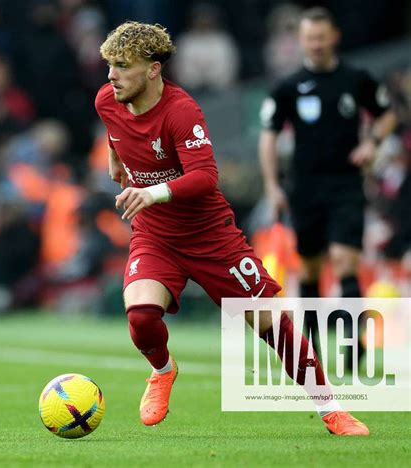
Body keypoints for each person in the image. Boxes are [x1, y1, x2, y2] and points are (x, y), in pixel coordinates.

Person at [95, 21, 369, 435]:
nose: (111, 75)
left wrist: (151, 193)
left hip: (210, 235)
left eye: (122, 65)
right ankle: (163, 371)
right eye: (109, 65)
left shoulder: (181, 110)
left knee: (271, 327)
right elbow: (116, 132)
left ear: (153, 69)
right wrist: (117, 160)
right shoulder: (106, 99)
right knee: (141, 316)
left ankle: (331, 409)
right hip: (155, 234)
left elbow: (205, 176)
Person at [259, 7, 397, 369]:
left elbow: (387, 114)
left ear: (334, 37)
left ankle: (355, 345)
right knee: (308, 269)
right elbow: (268, 136)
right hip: (304, 187)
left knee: (344, 260)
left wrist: (372, 142)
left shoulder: (356, 79)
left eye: (321, 37)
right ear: (301, 41)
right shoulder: (287, 87)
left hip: (345, 183)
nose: (316, 44)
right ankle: (313, 345)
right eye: (309, 38)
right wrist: (273, 186)